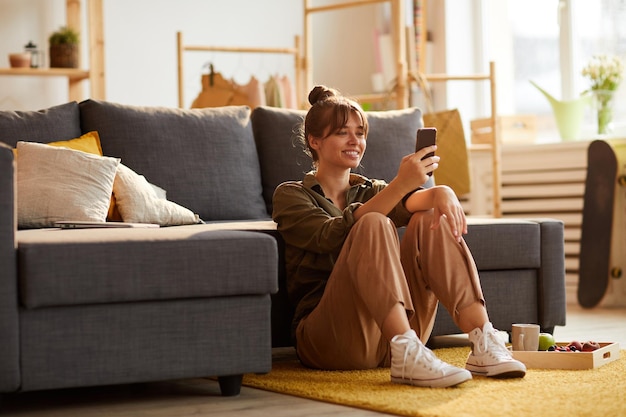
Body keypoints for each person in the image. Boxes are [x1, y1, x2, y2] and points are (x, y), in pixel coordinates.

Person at [272, 85, 526, 388]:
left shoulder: (370, 190)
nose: (355, 140)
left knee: (429, 218)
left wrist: (440, 192)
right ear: (315, 141)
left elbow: (415, 203)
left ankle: (482, 337)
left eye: (360, 132)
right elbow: (329, 235)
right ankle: (405, 346)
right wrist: (399, 185)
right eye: (342, 132)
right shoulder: (291, 195)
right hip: (329, 340)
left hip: (389, 341)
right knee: (373, 223)